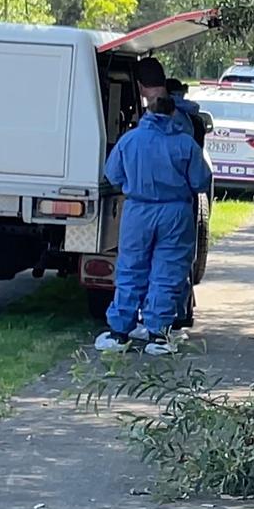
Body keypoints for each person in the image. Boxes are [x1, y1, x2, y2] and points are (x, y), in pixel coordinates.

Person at [96, 95, 212, 355]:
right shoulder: (186, 144)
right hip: (175, 213)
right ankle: (158, 334)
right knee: (168, 272)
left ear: (147, 113)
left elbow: (113, 174)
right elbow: (201, 182)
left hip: (138, 211)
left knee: (130, 268)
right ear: (173, 114)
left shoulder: (130, 140)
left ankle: (119, 332)